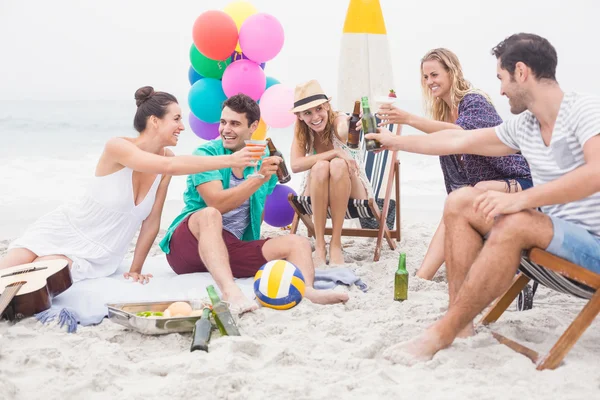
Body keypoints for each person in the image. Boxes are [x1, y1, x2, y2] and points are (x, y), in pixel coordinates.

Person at [366, 33, 600, 364]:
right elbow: (460, 141)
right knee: (460, 201)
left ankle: (441, 333)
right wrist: (395, 143)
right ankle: (461, 326)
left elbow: (596, 173)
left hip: (592, 246)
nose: (500, 90)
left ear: (521, 72)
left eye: (501, 79)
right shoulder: (525, 126)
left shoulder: (585, 109)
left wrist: (520, 199)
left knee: (516, 221)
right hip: (553, 233)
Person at [0, 86, 257, 284]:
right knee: (10, 268)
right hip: (64, 229)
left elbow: (151, 222)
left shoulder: (168, 159)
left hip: (102, 254)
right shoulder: (118, 147)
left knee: (38, 275)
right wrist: (231, 158)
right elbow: (167, 167)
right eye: (176, 119)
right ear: (155, 121)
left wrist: (136, 269)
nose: (182, 126)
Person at [159, 93, 349, 313]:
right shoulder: (207, 154)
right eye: (223, 122)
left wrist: (256, 243)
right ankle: (231, 292)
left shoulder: (261, 157)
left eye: (234, 123)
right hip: (188, 246)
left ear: (253, 127)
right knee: (210, 214)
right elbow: (217, 204)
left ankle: (306, 290)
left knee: (298, 243)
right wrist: (258, 178)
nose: (225, 129)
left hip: (227, 248)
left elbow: (256, 210)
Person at [375, 48, 532, 280]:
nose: (429, 81)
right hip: (486, 192)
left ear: (452, 72)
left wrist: (407, 121)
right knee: (457, 203)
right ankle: (422, 277)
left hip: (521, 183)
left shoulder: (475, 101)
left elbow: (460, 136)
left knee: (473, 193)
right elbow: (440, 140)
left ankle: (423, 276)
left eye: (435, 75)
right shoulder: (445, 111)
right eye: (426, 77)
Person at [290, 80, 373, 266]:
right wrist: (334, 152)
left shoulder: (338, 121)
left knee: (337, 165)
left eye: (319, 109)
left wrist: (353, 124)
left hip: (352, 188)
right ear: (300, 116)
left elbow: (344, 128)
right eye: (307, 113)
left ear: (327, 106)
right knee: (320, 166)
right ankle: (320, 245)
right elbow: (295, 165)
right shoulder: (302, 131)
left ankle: (335, 244)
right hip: (317, 188)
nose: (315, 116)